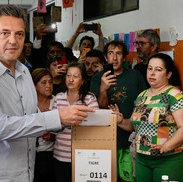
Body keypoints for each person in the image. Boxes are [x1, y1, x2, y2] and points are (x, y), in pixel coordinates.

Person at [0, 5, 94, 181]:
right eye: (5, 33)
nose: (13, 40)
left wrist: (69, 118)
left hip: (23, 172)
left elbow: (30, 115)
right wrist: (57, 117)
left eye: (19, 34)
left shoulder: (23, 72)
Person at [110, 53, 183, 182]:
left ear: (169, 74)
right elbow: (135, 126)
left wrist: (166, 147)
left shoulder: (174, 95)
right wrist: (121, 121)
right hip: (142, 159)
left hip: (168, 159)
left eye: (158, 70)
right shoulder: (142, 96)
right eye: (150, 68)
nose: (152, 73)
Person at [90, 40, 147, 181]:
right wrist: (103, 89)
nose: (114, 58)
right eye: (110, 53)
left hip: (131, 138)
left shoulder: (135, 76)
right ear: (105, 57)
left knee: (130, 178)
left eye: (118, 54)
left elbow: (144, 105)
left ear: (125, 57)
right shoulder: (98, 78)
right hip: (107, 138)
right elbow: (99, 111)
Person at [53, 62, 99, 182]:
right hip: (61, 155)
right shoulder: (58, 98)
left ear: (82, 81)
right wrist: (65, 122)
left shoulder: (89, 98)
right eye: (68, 76)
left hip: (83, 155)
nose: (71, 79)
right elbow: (52, 126)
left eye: (75, 76)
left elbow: (97, 124)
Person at [31, 68, 56, 182]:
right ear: (35, 85)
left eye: (50, 82)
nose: (48, 86)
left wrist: (52, 137)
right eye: (43, 82)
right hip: (29, 153)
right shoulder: (28, 103)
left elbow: (68, 132)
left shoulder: (57, 102)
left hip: (49, 155)